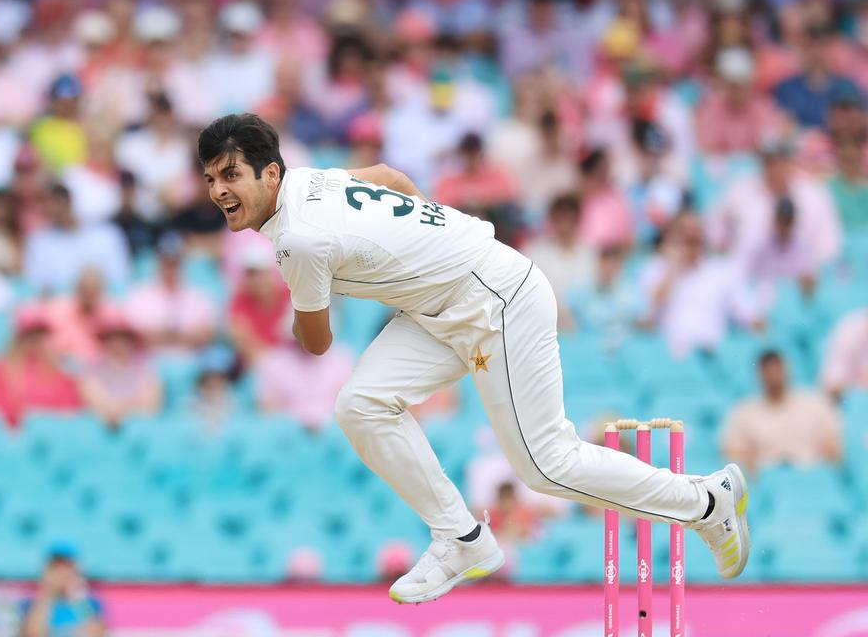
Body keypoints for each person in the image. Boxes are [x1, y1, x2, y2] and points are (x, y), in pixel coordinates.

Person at [197, 113, 750, 605]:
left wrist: (299, 305)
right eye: (211, 179)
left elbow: (315, 343)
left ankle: (706, 501)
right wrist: (420, 247)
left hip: (495, 300)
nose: (220, 190)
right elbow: (389, 177)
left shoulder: (297, 239)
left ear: (270, 174)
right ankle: (461, 539)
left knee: (545, 466)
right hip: (443, 301)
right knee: (361, 405)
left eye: (231, 175)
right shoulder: (312, 179)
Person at [17, 542, 105, 637]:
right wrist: (48, 592)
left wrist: (75, 594)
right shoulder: (29, 604)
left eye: (66, 567)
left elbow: (96, 634)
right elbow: (32, 634)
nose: (61, 573)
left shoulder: (91, 604)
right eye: (56, 568)